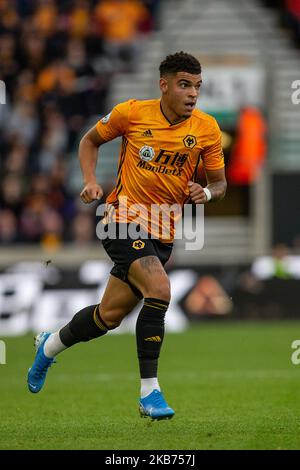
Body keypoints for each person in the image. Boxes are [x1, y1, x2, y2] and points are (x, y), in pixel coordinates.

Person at [27, 51, 227, 420]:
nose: (193, 94)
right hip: (121, 219)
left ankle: (49, 347)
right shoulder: (132, 113)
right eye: (184, 84)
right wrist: (89, 180)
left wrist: (208, 193)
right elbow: (89, 141)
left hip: (163, 231)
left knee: (108, 317)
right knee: (161, 289)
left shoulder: (207, 129)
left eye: (197, 86)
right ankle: (149, 392)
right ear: (164, 85)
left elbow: (219, 183)